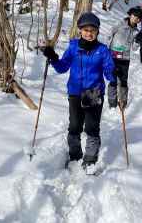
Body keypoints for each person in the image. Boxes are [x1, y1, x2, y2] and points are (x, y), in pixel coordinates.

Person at [42, 12, 117, 171]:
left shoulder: (102, 50)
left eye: (92, 30)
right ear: (80, 30)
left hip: (93, 92)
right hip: (75, 92)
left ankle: (90, 159)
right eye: (86, 30)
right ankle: (75, 155)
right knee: (75, 126)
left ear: (97, 31)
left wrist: (115, 73)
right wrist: (53, 58)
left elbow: (108, 71)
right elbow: (62, 67)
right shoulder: (73, 47)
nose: (89, 33)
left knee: (91, 127)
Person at [107, 7, 142, 108]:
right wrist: (107, 49)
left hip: (125, 58)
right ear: (130, 14)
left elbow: (134, 48)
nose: (136, 18)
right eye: (135, 15)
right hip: (113, 56)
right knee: (113, 79)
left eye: (139, 18)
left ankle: (123, 102)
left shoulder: (136, 31)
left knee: (123, 81)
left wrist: (138, 41)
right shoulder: (120, 24)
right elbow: (109, 34)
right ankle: (112, 102)